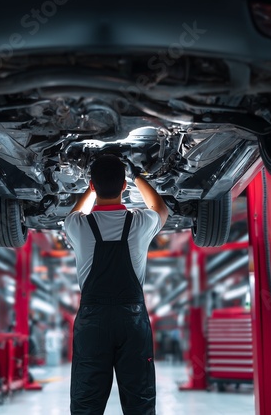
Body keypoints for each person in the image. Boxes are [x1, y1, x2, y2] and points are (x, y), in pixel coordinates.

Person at [64, 154, 168, 414]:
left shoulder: (77, 225)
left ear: (92, 186)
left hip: (93, 321)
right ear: (124, 187)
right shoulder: (140, 221)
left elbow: (75, 211)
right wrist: (137, 176)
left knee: (86, 401)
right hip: (131, 320)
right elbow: (160, 208)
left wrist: (89, 192)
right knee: (140, 400)